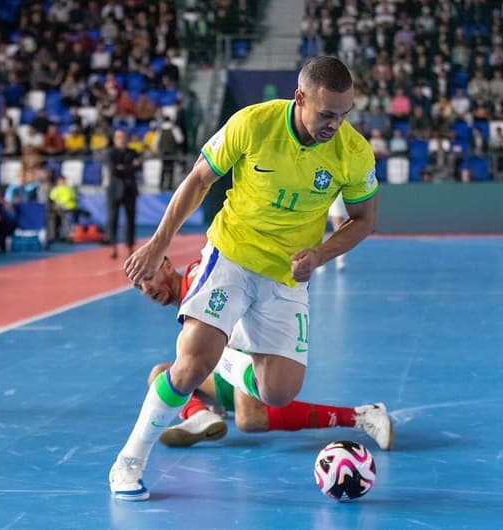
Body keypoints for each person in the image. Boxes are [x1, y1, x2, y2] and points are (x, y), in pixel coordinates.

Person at [110, 56, 378, 501]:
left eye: (345, 113)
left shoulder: (352, 151)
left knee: (277, 393)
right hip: (231, 255)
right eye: (328, 113)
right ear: (301, 98)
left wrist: (320, 253)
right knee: (188, 365)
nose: (337, 123)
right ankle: (130, 461)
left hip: (287, 276)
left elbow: (364, 219)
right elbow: (198, 180)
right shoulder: (252, 124)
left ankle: (223, 362)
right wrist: (158, 244)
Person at [135, 255, 392, 449]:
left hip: (252, 344)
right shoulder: (188, 293)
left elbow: (238, 313)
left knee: (249, 418)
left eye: (148, 276)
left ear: (167, 264)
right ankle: (200, 414)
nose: (146, 289)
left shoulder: (198, 280)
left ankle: (362, 415)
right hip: (231, 359)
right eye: (139, 286)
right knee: (161, 374)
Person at [104, 129, 140, 259]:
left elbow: (138, 167)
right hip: (114, 191)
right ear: (114, 139)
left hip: (130, 190)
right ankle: (113, 245)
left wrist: (124, 168)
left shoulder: (132, 152)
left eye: (124, 137)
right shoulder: (110, 153)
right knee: (112, 219)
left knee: (130, 219)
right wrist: (129, 168)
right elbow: (114, 170)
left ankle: (130, 245)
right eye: (119, 137)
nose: (122, 140)